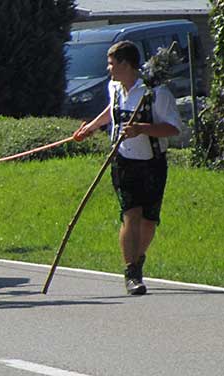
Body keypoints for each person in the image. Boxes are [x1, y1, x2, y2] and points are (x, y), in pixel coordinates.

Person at [72, 41, 182, 295]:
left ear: (125, 64)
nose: (108, 68)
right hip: (123, 161)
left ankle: (138, 257)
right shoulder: (114, 88)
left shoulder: (156, 93)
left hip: (153, 163)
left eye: (111, 63)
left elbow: (174, 129)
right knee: (130, 214)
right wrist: (90, 128)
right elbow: (111, 111)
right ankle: (131, 272)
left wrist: (142, 129)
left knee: (149, 220)